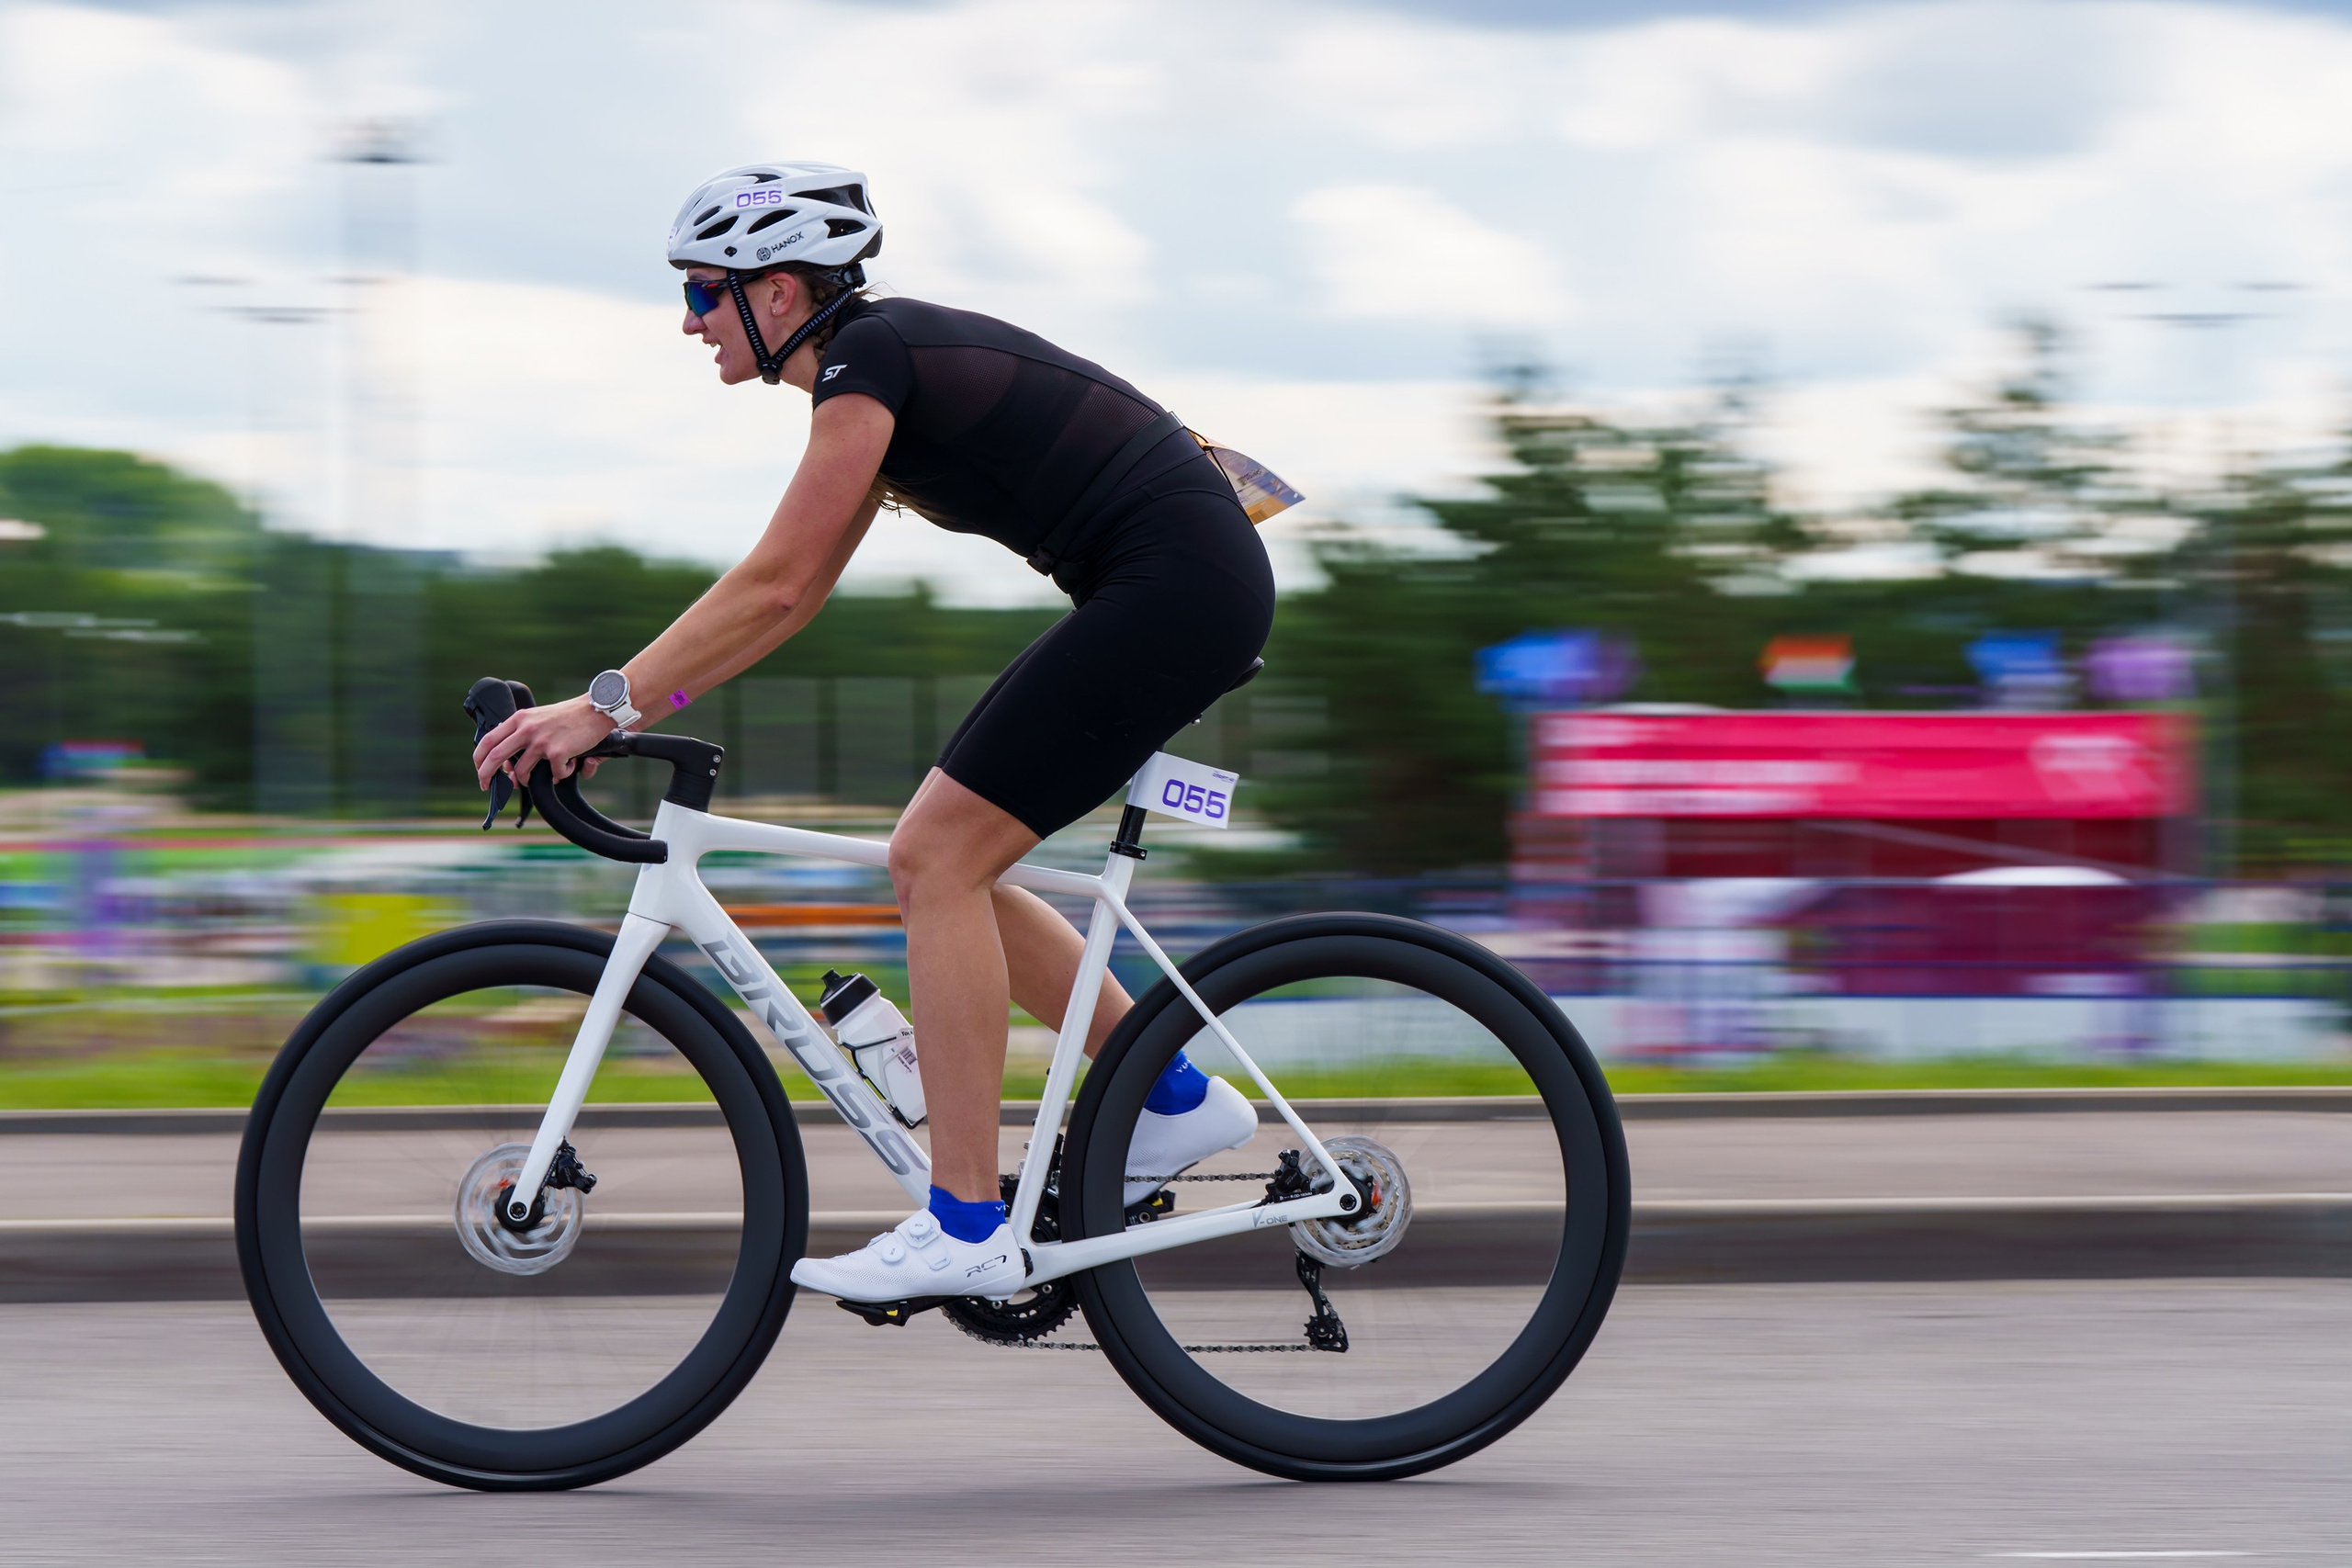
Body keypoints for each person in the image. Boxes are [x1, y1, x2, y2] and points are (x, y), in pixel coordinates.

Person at [471, 162, 1273, 1303]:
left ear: (781, 293)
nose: (689, 320)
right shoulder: (866, 374)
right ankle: (1173, 1099)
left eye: (705, 292)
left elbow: (776, 581)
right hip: (1175, 583)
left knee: (931, 859)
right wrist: (623, 711)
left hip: (1175, 587)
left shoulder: (869, 360)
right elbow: (786, 600)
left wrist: (599, 708)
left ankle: (965, 1222)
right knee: (956, 864)